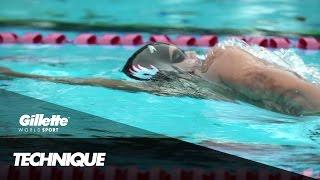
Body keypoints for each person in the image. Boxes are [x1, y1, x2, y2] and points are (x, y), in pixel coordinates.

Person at [0, 41, 319, 116]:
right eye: (180, 55)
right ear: (167, 79)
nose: (194, 54)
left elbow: (266, 81)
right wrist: (24, 75)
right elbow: (110, 85)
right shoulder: (192, 89)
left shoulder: (221, 60)